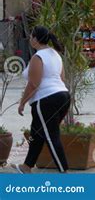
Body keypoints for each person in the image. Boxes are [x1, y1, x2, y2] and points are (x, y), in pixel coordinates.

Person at [11, 26, 71, 174]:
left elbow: (34, 84)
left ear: (36, 40)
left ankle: (65, 172)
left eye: (31, 36)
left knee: (51, 136)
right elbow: (62, 78)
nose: (30, 39)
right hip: (63, 96)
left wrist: (22, 103)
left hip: (46, 100)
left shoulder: (38, 57)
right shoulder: (55, 55)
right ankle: (27, 166)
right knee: (36, 134)